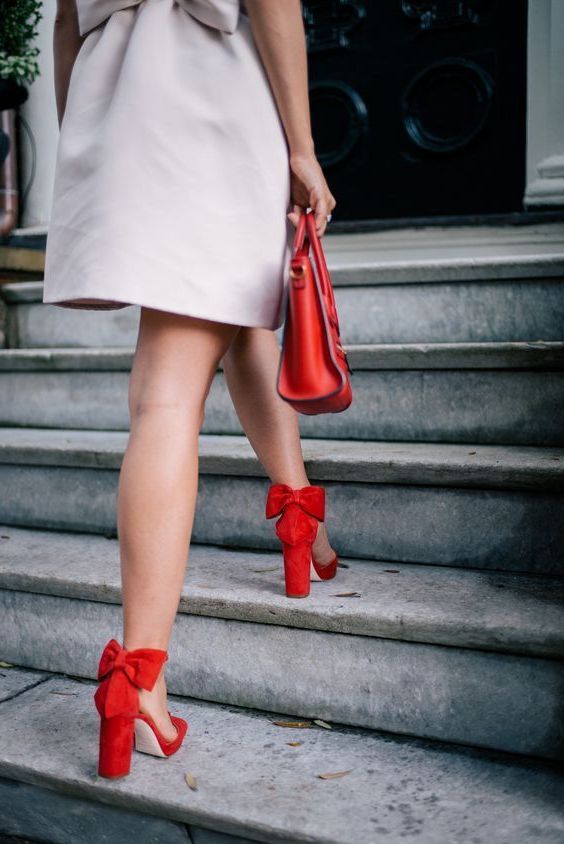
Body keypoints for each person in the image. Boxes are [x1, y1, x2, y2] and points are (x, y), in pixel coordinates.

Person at [47, 0, 338, 779]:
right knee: (168, 390)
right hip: (211, 98)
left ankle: (299, 513)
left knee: (239, 310)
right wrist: (303, 148)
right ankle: (139, 679)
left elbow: (66, 24)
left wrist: (86, 147)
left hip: (119, 105)